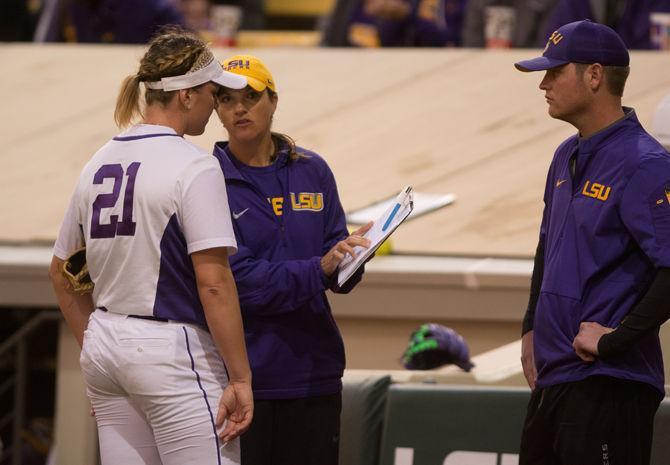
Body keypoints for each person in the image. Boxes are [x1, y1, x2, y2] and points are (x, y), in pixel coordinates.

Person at [49, 28, 253, 465]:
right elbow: (214, 283)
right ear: (185, 97)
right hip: (169, 352)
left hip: (104, 343)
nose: (217, 107)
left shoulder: (98, 159)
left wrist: (98, 352)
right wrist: (240, 377)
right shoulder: (194, 166)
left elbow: (60, 271)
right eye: (213, 94)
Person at [515, 19, 670, 464]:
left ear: (595, 75)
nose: (543, 84)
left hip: (608, 384)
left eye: (554, 71)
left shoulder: (646, 165)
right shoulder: (565, 155)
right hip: (555, 378)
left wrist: (614, 340)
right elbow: (548, 246)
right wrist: (530, 327)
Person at [212, 54, 372, 465]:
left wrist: (353, 258)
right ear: (216, 111)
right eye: (226, 100)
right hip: (242, 381)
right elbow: (239, 280)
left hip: (313, 374)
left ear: (274, 101)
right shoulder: (206, 178)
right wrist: (320, 269)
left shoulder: (313, 170)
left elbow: (337, 266)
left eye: (251, 95)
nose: (240, 108)